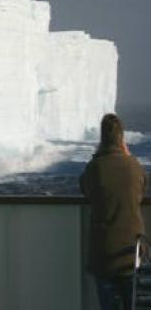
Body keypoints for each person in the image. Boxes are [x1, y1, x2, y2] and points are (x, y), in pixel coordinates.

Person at [80, 113, 147, 310]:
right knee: (132, 304)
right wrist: (127, 156)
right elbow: (141, 191)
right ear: (122, 137)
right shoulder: (134, 166)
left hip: (104, 253)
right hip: (130, 253)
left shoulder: (95, 167)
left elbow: (84, 187)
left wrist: (97, 156)